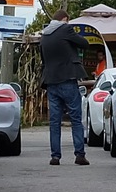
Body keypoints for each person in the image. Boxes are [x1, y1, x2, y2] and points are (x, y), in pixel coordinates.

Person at [38, 19, 96, 164]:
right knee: (76, 119)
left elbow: (44, 60)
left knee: (54, 121)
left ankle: (55, 156)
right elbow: (84, 43)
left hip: (51, 81)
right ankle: (79, 155)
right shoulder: (66, 29)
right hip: (68, 79)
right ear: (64, 20)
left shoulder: (44, 35)